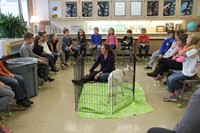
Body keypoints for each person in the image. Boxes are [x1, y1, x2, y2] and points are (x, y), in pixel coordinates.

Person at [163, 32, 200, 101]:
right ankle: (176, 92)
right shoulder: (191, 49)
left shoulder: (193, 50)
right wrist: (189, 47)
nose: (187, 39)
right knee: (170, 77)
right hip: (185, 71)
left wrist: (190, 47)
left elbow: (180, 53)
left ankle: (178, 91)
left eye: (188, 38)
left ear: (192, 40)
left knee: (171, 79)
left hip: (189, 73)